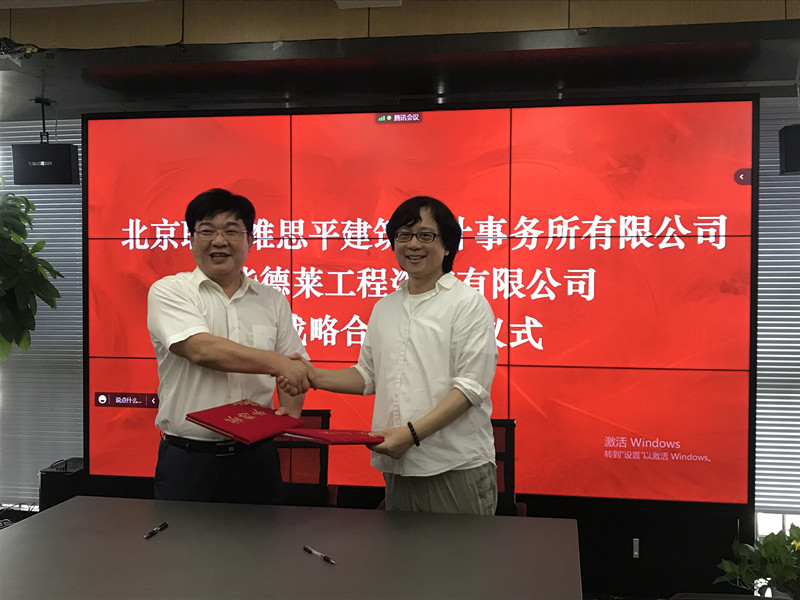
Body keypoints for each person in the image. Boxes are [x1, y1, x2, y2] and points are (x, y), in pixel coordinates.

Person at [283, 196, 499, 515]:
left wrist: (411, 434)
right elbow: (368, 375)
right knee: (401, 550)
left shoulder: (467, 303)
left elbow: (470, 389)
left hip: (454, 466)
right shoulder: (385, 307)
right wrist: (311, 376)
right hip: (399, 467)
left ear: (447, 245)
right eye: (404, 235)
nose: (413, 244)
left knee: (459, 551)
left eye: (426, 235)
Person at [147, 188, 310, 503]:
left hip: (256, 458)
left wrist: (290, 410)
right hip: (189, 460)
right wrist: (277, 363)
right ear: (191, 239)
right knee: (183, 536)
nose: (219, 241)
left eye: (231, 231)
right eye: (207, 231)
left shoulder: (272, 300)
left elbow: (294, 361)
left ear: (251, 240)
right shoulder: (170, 291)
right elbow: (201, 349)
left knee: (261, 536)